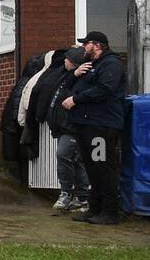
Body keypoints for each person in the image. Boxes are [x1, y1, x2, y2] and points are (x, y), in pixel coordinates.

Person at [62, 30, 126, 225]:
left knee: (103, 167)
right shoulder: (90, 66)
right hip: (87, 125)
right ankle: (94, 208)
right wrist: (74, 74)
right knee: (92, 167)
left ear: (97, 45)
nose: (83, 48)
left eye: (85, 44)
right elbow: (69, 87)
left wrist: (76, 99)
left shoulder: (111, 65)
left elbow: (104, 90)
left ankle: (110, 211)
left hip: (101, 126)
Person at [46, 46, 91, 213]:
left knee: (64, 155)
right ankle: (82, 197)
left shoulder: (81, 80)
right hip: (64, 126)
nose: (64, 61)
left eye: (68, 59)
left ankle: (67, 193)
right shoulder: (67, 76)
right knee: (77, 161)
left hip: (71, 127)